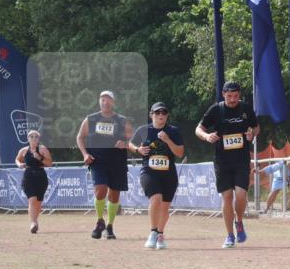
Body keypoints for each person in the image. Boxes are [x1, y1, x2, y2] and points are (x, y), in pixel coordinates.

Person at [195, 81, 258, 248]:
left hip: (242, 159)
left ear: (239, 95)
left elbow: (256, 127)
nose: (232, 100)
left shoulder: (245, 108)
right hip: (222, 161)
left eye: (236, 96)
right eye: (229, 96)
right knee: (227, 197)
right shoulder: (216, 110)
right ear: (223, 95)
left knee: (241, 194)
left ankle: (239, 221)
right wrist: (207, 136)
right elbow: (198, 129)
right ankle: (229, 235)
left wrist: (252, 133)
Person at [76, 90, 133, 240]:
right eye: (102, 99)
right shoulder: (91, 119)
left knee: (114, 195)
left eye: (108, 99)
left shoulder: (122, 120)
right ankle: (99, 220)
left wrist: (125, 144)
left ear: (113, 102)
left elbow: (133, 140)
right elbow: (80, 137)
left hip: (117, 162)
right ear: (99, 102)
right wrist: (85, 154)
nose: (105, 102)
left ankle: (109, 226)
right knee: (100, 190)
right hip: (97, 161)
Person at [129, 103, 185, 250]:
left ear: (167, 115)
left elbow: (180, 153)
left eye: (164, 112)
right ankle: (153, 232)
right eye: (157, 112)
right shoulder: (143, 130)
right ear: (151, 115)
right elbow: (130, 144)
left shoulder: (173, 131)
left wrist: (167, 140)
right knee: (156, 199)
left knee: (165, 206)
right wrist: (138, 149)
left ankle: (160, 234)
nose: (161, 115)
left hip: (168, 173)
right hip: (149, 171)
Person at [16, 130, 53, 233]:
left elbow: (50, 163)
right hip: (28, 176)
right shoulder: (23, 150)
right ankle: (33, 223)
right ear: (28, 139)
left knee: (38, 202)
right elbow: (17, 159)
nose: (33, 138)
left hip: (41, 176)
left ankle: (35, 221)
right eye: (31, 136)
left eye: (36, 136)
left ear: (38, 139)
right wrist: (19, 165)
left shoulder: (43, 149)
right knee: (32, 200)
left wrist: (40, 157)